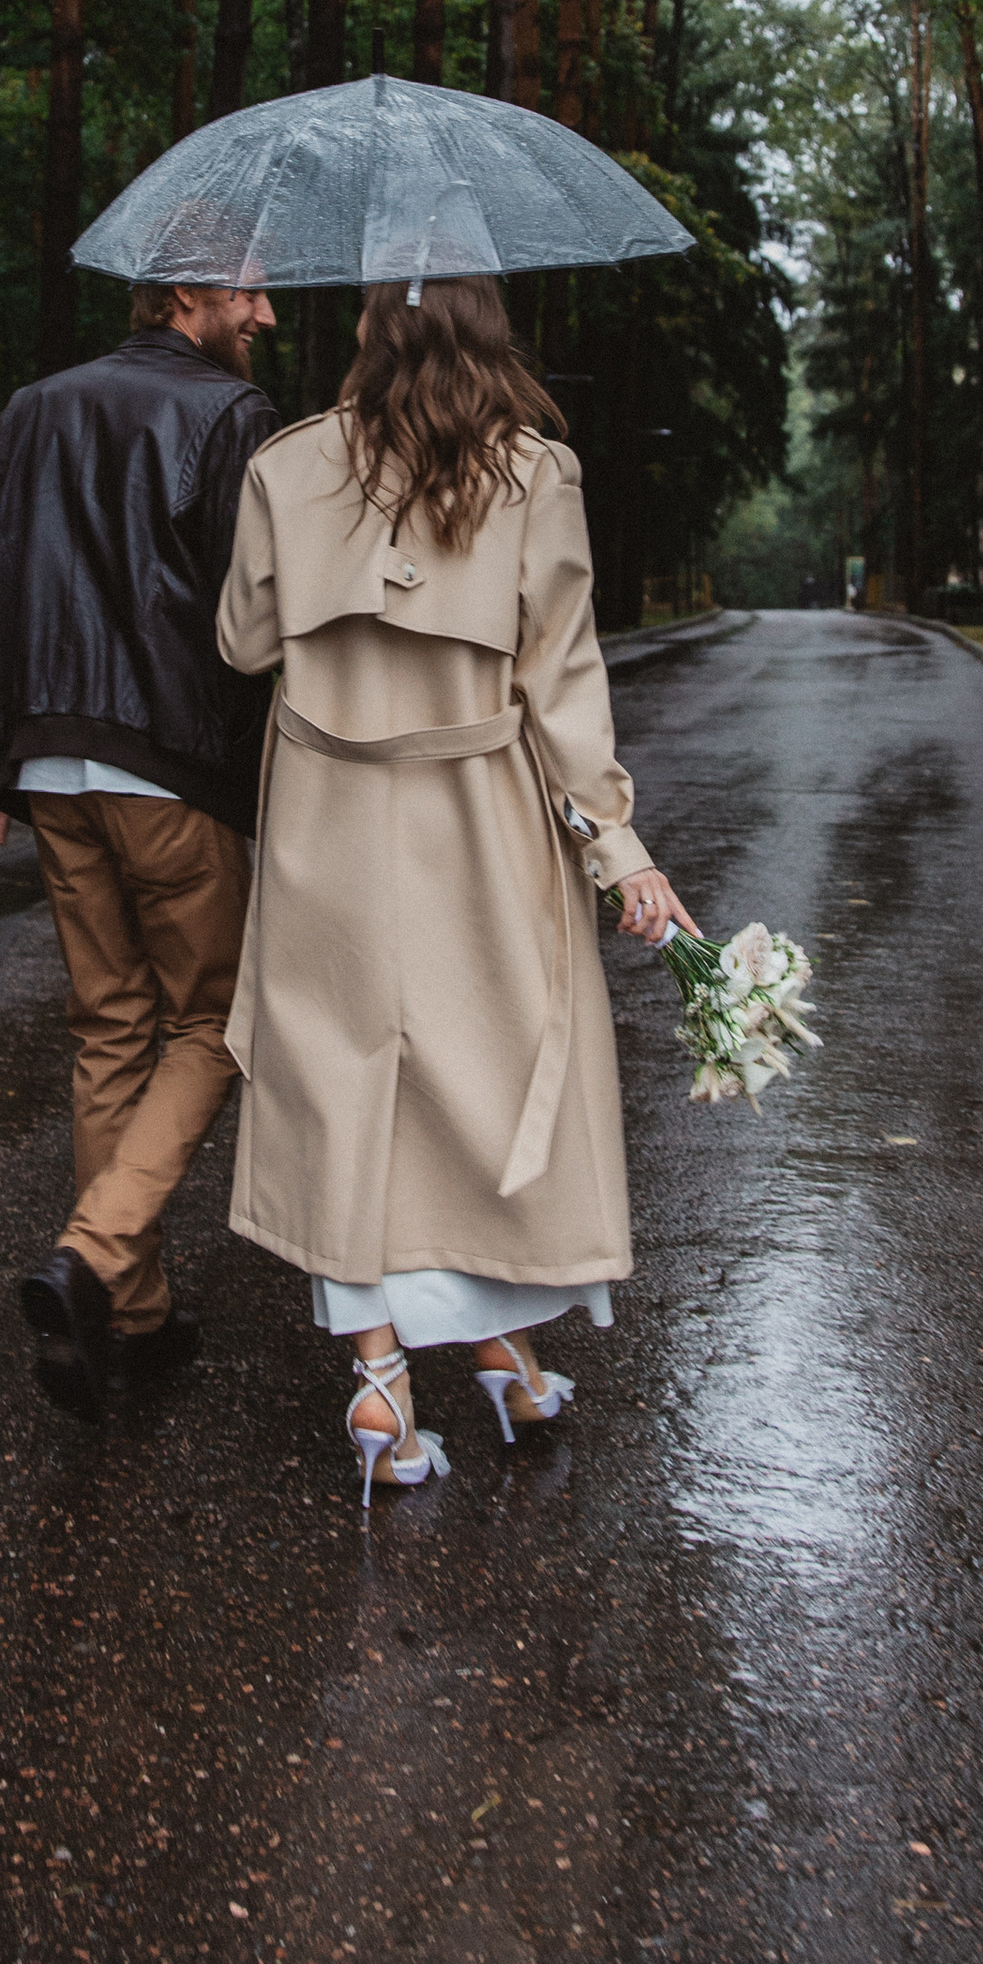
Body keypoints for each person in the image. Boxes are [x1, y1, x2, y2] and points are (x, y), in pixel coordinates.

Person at [214, 274, 695, 1503]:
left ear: (372, 334)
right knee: (491, 1081)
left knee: (347, 1087)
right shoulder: (537, 476)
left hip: (327, 818)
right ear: (488, 335)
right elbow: (564, 683)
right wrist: (618, 849)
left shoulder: (285, 465)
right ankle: (500, 1362)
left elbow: (244, 644)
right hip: (478, 818)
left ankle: (392, 1384)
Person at [0, 263, 277, 1418]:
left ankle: (123, 1319)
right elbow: (252, 616)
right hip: (167, 764)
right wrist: (262, 776)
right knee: (218, 1021)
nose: (266, 316)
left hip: (53, 763)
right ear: (185, 294)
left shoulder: (37, 405)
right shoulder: (231, 416)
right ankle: (94, 1249)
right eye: (250, 295)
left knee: (110, 1025)